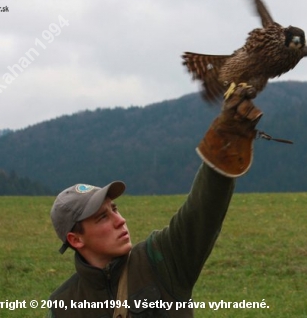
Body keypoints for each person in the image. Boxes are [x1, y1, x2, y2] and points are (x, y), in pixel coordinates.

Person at [48, 86, 262, 318]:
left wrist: (226, 140)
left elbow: (201, 212)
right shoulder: (64, 305)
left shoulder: (160, 259)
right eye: (102, 217)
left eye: (115, 209)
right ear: (75, 239)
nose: (120, 221)